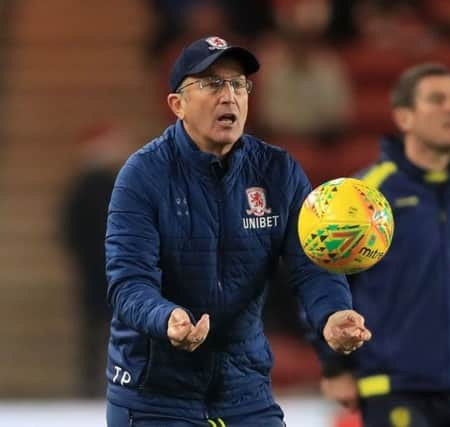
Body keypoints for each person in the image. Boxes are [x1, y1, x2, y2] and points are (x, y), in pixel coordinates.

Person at [104, 35, 372, 427]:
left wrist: (332, 312)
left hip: (244, 391)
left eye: (238, 84)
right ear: (177, 105)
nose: (229, 95)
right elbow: (127, 282)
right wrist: (167, 318)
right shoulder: (142, 176)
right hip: (155, 395)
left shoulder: (277, 171)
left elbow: (311, 263)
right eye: (212, 84)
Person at [317, 63, 450, 427]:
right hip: (395, 387)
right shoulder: (366, 198)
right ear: (405, 118)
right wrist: (334, 365)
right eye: (437, 100)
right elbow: (326, 282)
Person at [60, 124, 130, 397]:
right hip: (101, 269)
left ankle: (105, 379)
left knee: (108, 326)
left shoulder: (111, 184)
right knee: (102, 326)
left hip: (108, 268)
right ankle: (97, 380)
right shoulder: (95, 186)